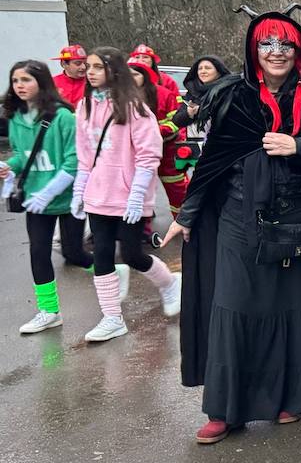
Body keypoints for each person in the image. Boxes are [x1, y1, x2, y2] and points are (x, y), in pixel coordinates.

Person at [163, 4, 301, 444]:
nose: (276, 52)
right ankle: (226, 410)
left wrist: (300, 146)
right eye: (267, 44)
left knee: (292, 310)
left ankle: (289, 399)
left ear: (299, 50)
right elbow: (213, 163)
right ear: (253, 49)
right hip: (239, 221)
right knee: (235, 306)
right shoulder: (232, 96)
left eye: (285, 44)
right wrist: (188, 215)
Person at [72, 47, 180, 343]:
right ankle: (112, 318)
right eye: (87, 67)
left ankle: (170, 284)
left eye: (96, 66)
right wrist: (79, 190)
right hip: (98, 195)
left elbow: (148, 155)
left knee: (132, 254)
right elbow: (84, 154)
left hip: (128, 196)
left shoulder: (136, 108)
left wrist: (136, 196)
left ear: (114, 70)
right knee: (103, 254)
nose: (89, 71)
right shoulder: (84, 107)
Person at [2, 60, 92, 333]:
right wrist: (9, 167)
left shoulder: (63, 117)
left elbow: (72, 162)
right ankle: (49, 310)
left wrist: (48, 192)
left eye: (26, 80)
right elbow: (22, 154)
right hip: (35, 200)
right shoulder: (16, 118)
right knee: (38, 252)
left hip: (67, 198)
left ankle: (109, 272)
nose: (20, 86)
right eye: (16, 80)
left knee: (74, 252)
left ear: (41, 83)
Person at [128, 48, 189, 222]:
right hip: (136, 153)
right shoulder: (119, 97)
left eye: (145, 58)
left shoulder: (165, 89)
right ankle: (142, 228)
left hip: (167, 148)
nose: (141, 60)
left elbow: (177, 119)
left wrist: (175, 141)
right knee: (140, 191)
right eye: (137, 57)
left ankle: (185, 222)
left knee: (177, 188)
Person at [172, 55, 230, 131]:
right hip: (196, 140)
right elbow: (176, 121)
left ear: (219, 71)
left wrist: (203, 111)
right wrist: (189, 113)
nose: (203, 71)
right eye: (200, 69)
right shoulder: (193, 90)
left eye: (208, 68)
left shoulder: (229, 89)